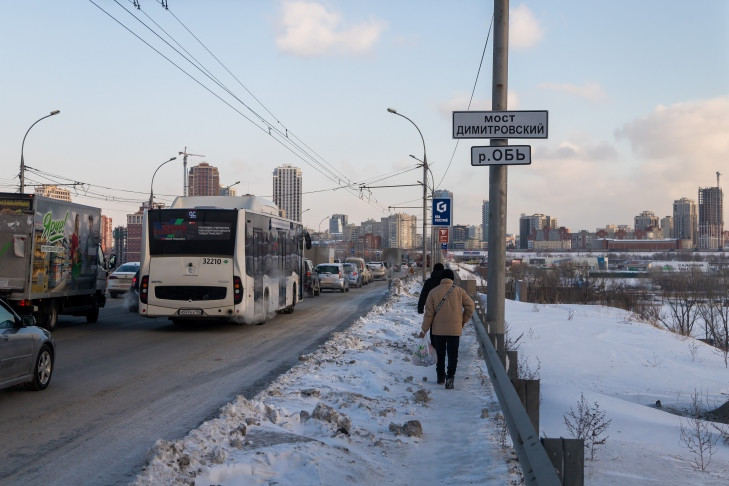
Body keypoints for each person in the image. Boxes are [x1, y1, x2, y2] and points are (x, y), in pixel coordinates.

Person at [420, 269, 475, 389]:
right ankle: (450, 377)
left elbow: (428, 314)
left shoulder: (433, 292)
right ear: (452, 279)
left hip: (437, 331)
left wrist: (424, 329)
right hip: (454, 330)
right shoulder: (460, 291)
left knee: (439, 354)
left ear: (441, 279)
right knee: (452, 354)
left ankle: (440, 377)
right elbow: (470, 307)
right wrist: (463, 321)